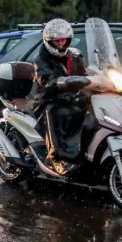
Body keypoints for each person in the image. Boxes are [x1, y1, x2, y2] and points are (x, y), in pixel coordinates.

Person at [31, 18, 88, 176]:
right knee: (53, 112)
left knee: (89, 108)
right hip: (47, 99)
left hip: (70, 97)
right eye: (57, 41)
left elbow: (85, 74)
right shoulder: (41, 59)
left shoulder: (75, 56)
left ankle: (83, 151)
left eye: (64, 40)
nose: (61, 44)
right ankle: (55, 158)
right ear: (49, 41)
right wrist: (63, 82)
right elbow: (46, 80)